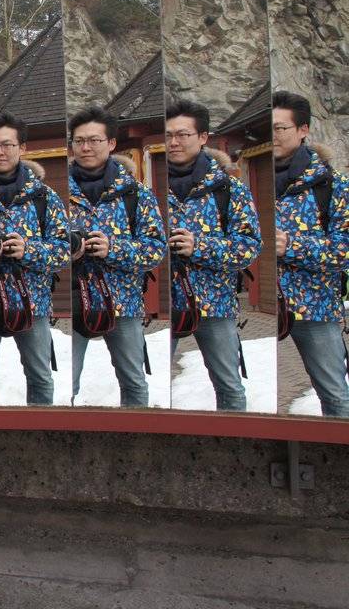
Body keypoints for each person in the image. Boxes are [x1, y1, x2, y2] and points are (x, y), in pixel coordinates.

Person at [165, 99, 260, 411]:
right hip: (162, 305)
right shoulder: (146, 189)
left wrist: (200, 246)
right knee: (149, 386)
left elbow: (249, 246)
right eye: (168, 135)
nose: (174, 142)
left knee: (229, 386)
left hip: (214, 302)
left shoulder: (229, 190)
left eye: (182, 134)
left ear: (203, 137)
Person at [69, 106, 166, 408]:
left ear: (111, 143)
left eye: (94, 140)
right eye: (79, 140)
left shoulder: (136, 194)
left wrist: (114, 249)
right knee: (63, 384)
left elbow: (156, 249)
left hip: (122, 301)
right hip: (69, 302)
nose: (86, 147)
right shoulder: (52, 194)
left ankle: (137, 431)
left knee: (133, 381)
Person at [0, 112, 68, 406]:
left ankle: (42, 428)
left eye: (7, 144)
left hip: (32, 302)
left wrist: (28, 250)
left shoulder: (44, 197)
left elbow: (64, 250)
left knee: (40, 377)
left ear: (22, 148)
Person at [272, 91, 349, 417]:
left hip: (314, 307)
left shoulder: (333, 185)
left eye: (279, 128)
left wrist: (292, 246)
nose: (272, 136)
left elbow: (344, 249)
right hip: (259, 309)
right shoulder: (245, 185)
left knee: (335, 398)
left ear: (303, 130)